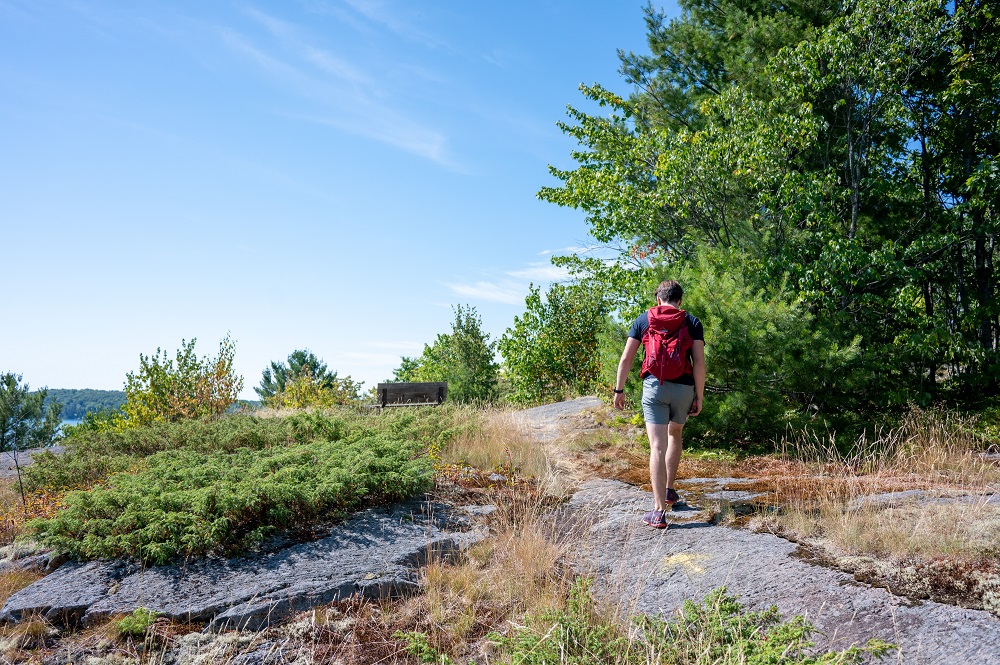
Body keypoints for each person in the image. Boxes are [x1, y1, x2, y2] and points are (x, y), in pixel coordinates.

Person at [613, 280, 706, 529]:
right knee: (675, 433)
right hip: (684, 388)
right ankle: (669, 490)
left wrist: (619, 389)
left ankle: (658, 511)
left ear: (658, 299)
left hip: (655, 387)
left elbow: (626, 358)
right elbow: (699, 363)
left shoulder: (644, 320)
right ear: (680, 301)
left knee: (656, 446)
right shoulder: (692, 322)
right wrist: (700, 395)